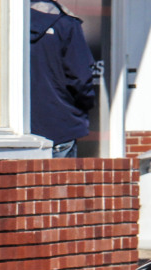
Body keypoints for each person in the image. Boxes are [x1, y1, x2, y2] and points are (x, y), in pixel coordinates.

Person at [30, 0, 97, 157]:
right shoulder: (66, 25)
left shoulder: (9, 22)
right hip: (59, 125)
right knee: (60, 179)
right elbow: (80, 77)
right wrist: (86, 104)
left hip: (14, 128)